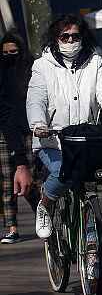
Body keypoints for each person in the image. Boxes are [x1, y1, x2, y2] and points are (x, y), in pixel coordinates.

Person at [27, 14, 102, 240]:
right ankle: (45, 205)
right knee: (62, 172)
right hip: (52, 139)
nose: (71, 41)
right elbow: (36, 99)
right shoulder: (41, 66)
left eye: (75, 36)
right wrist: (38, 124)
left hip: (84, 140)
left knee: (87, 188)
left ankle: (92, 258)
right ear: (55, 39)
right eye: (65, 36)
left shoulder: (94, 62)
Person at [0, 32, 34, 244]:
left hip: (27, 128)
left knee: (31, 179)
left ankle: (43, 214)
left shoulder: (30, 69)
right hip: (4, 130)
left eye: (13, 52)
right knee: (6, 181)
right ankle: (12, 227)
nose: (9, 56)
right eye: (5, 53)